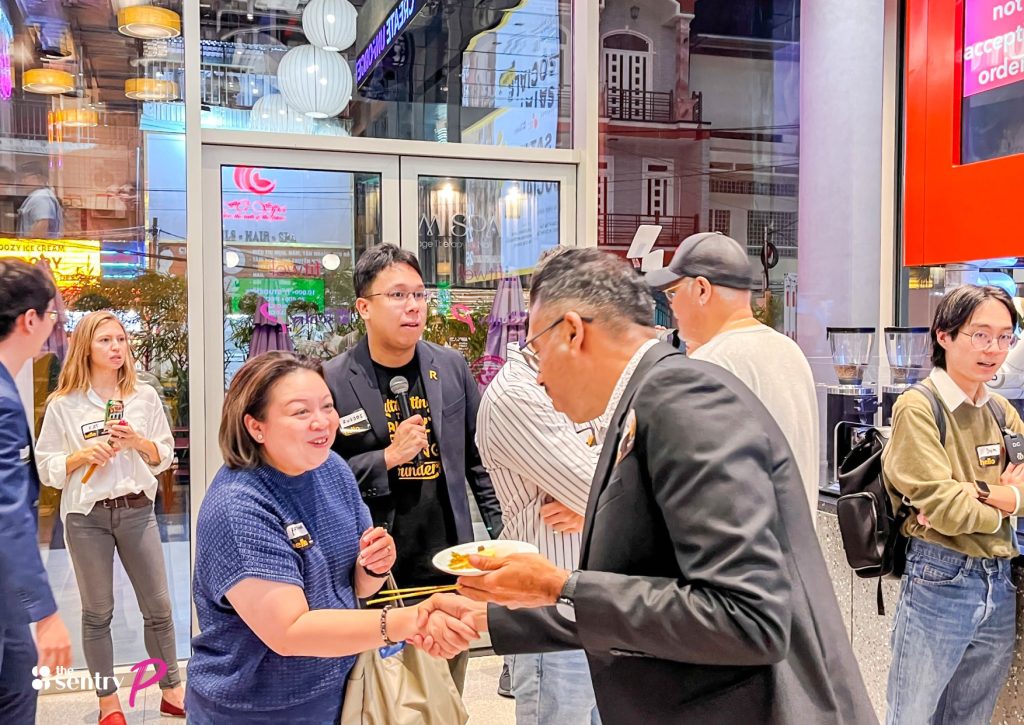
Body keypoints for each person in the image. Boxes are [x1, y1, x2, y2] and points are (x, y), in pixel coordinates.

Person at [413, 248, 876, 723]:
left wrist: (560, 584)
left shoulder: (683, 399)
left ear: (573, 331)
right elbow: (654, 592)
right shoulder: (645, 399)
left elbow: (747, 618)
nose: (541, 377)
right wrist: (498, 616)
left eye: (536, 350)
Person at [186, 351, 477, 724]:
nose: (322, 422)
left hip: (341, 689)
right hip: (257, 707)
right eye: (300, 412)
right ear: (256, 426)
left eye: (327, 406)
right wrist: (410, 621)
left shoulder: (332, 469)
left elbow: (356, 588)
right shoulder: (240, 505)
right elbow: (290, 631)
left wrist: (372, 567)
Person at [323, 244, 503, 690]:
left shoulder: (451, 365)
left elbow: (478, 460)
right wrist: (386, 458)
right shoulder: (332, 378)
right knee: (382, 699)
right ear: (363, 307)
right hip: (374, 571)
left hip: (448, 563)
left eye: (420, 295)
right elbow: (321, 475)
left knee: (446, 697)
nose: (413, 307)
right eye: (398, 295)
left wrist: (502, 538)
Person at [882, 284, 1024, 724]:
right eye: (980, 335)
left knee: (970, 718)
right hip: (939, 576)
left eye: (1005, 337)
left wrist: (979, 493)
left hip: (999, 580)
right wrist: (1003, 498)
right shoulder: (919, 407)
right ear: (944, 335)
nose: (994, 349)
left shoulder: (1001, 410)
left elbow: (965, 500)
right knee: (912, 716)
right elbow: (944, 507)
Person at [34, 311, 184, 724]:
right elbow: (47, 466)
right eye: (106, 341)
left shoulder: (143, 396)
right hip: (87, 518)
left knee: (159, 607)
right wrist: (82, 455)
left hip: (137, 511)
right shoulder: (64, 404)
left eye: (121, 339)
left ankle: (172, 690)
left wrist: (137, 442)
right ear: (86, 347)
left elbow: (164, 455)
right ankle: (108, 702)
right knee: (97, 611)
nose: (117, 347)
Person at [647, 231, 821, 522]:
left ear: (702, 290)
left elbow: (685, 484)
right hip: (795, 555)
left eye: (674, 293)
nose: (673, 308)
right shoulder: (789, 350)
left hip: (739, 560)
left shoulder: (712, 361)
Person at [477, 335, 601, 722]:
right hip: (551, 617)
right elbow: (592, 480)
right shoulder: (517, 394)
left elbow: (626, 452)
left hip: (596, 602)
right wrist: (599, 492)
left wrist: (591, 507)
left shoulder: (586, 376)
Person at [0, 258, 72, 724]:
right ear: (31, 320)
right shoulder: (5, 405)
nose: (53, 328)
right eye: (54, 317)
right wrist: (44, 613)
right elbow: (8, 516)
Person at [16, 162, 64, 239]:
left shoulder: (40, 197)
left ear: (37, 177)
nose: (22, 181)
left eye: (25, 177)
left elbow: (42, 224)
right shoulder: (40, 195)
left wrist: (30, 245)